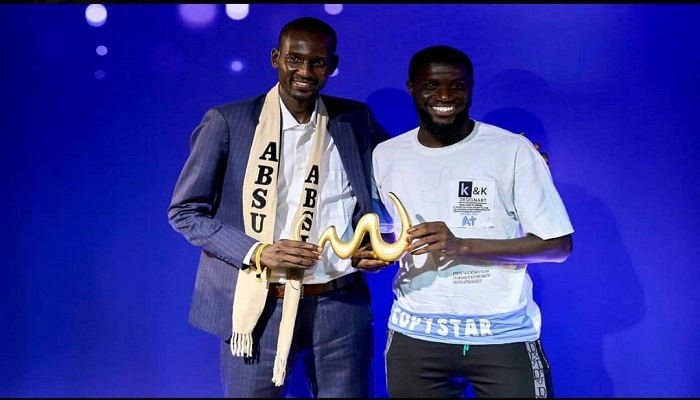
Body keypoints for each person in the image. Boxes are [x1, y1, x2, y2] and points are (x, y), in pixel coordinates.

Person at [167, 16, 391, 398]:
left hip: (338, 304)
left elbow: (399, 178)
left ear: (332, 66)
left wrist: (370, 243)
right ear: (276, 58)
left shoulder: (354, 120)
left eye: (318, 62)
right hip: (258, 304)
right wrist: (259, 252)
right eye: (295, 59)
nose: (305, 71)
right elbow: (185, 212)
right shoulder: (229, 122)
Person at [370, 45, 575, 398]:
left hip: (502, 338)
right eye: (431, 86)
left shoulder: (512, 149)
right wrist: (370, 258)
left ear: (471, 87)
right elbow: (386, 237)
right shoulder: (386, 155)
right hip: (415, 340)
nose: (445, 96)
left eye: (457, 86)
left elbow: (558, 246)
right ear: (412, 88)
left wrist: (462, 245)